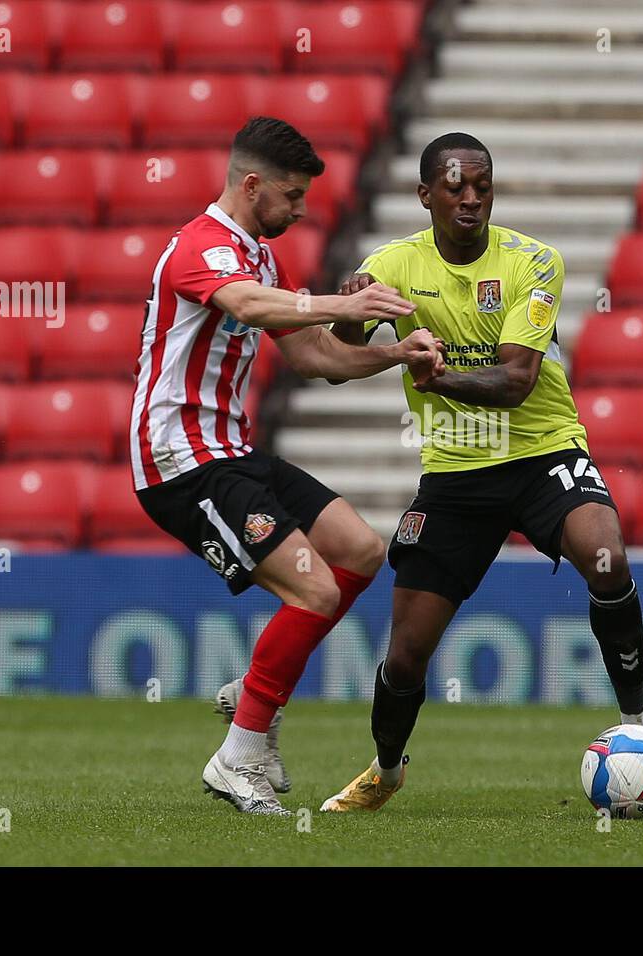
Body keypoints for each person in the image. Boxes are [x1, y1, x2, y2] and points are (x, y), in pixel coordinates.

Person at [318, 131, 643, 811]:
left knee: (607, 558)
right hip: (456, 472)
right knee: (406, 653)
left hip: (543, 450)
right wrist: (351, 312)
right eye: (454, 186)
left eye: (481, 185)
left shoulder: (533, 262)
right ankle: (386, 768)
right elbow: (340, 360)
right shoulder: (391, 265)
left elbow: (518, 380)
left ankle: (641, 731)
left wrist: (434, 376)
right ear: (425, 194)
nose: (469, 198)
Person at [131, 116, 444, 815]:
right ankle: (238, 757)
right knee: (315, 594)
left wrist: (395, 353)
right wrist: (345, 303)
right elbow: (242, 303)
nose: (301, 209)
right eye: (292, 196)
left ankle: (252, 692)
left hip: (232, 451)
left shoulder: (260, 260)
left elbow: (315, 359)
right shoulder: (201, 247)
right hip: (180, 459)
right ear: (251, 184)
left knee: (360, 551)